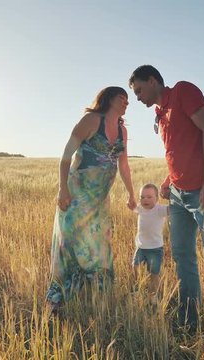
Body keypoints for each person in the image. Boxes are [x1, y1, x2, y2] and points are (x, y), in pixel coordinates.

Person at [128, 65, 204, 328]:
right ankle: (189, 320)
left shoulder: (183, 92)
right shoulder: (159, 113)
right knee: (182, 257)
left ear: (153, 80)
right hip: (178, 197)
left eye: (139, 90)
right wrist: (170, 180)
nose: (138, 97)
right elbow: (178, 151)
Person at [46, 86, 137, 315]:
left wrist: (131, 193)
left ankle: (97, 292)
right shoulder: (91, 120)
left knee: (99, 242)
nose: (127, 102)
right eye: (122, 98)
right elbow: (66, 156)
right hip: (76, 195)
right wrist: (62, 189)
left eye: (128, 99)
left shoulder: (121, 130)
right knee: (70, 242)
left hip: (99, 199)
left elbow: (123, 165)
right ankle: (60, 298)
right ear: (108, 99)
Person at [131, 183, 168, 303]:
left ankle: (153, 296)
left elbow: (172, 208)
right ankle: (138, 290)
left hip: (155, 249)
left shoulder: (160, 209)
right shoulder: (140, 208)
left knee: (154, 273)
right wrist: (130, 199)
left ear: (157, 198)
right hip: (141, 247)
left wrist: (172, 196)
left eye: (149, 197)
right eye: (142, 197)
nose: (145, 200)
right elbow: (131, 206)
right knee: (135, 267)